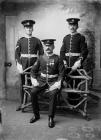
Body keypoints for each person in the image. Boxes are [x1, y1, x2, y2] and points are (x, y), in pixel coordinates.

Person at [30, 39, 64, 128]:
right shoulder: (41, 58)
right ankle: (36, 115)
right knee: (33, 92)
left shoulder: (58, 58)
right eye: (46, 46)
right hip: (41, 81)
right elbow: (33, 71)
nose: (47, 47)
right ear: (44, 47)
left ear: (53, 47)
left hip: (54, 82)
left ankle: (51, 117)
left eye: (49, 46)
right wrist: (34, 80)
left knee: (53, 94)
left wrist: (57, 83)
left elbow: (61, 73)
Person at [15, 20, 44, 111]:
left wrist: (39, 64)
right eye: (27, 27)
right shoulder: (20, 41)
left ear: (33, 28)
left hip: (35, 65)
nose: (29, 29)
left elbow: (42, 55)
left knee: (35, 84)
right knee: (22, 84)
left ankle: (35, 103)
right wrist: (19, 65)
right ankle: (22, 103)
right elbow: (16, 54)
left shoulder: (37, 40)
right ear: (24, 29)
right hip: (23, 65)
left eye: (30, 27)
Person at [60, 18, 88, 87]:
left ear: (77, 26)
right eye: (70, 25)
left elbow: (84, 51)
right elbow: (62, 51)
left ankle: (77, 97)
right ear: (68, 26)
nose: (72, 27)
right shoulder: (66, 38)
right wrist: (63, 61)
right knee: (68, 82)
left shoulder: (81, 37)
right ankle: (69, 97)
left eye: (74, 25)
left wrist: (78, 62)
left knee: (76, 82)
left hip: (76, 65)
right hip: (66, 65)